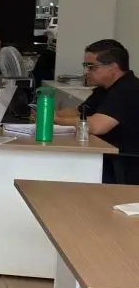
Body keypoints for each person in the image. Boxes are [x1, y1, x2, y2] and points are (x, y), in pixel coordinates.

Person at [54, 39, 139, 183]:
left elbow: (96, 126)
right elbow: (79, 112)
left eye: (91, 67)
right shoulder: (104, 88)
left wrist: (53, 119)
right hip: (106, 157)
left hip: (124, 165)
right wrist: (49, 113)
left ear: (113, 67)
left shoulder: (128, 89)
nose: (86, 71)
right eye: (85, 66)